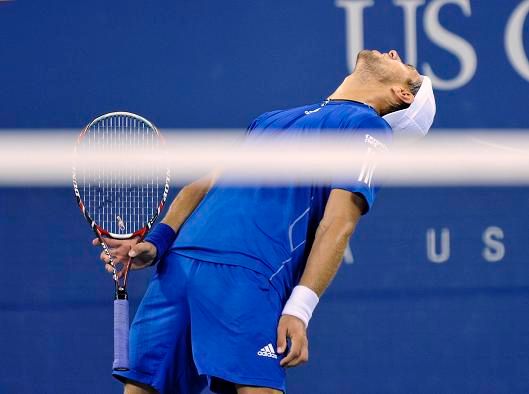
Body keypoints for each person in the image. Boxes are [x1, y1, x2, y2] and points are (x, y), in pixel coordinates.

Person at [95, 49, 435, 394]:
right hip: (177, 266)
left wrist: (300, 309)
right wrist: (156, 243)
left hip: (248, 274)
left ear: (402, 94)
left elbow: (339, 222)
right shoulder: (273, 118)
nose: (394, 53)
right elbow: (206, 182)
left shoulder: (368, 127)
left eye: (406, 66)